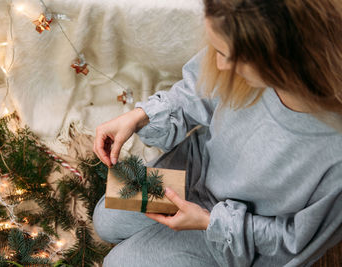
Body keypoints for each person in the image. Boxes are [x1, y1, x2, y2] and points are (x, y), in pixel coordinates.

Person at [92, 0, 342, 266]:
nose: (219, 65)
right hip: (194, 171)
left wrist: (208, 222)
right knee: (105, 220)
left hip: (236, 234)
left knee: (118, 263)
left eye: (227, 56)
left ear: (277, 59)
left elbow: (294, 240)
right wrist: (140, 117)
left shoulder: (333, 150)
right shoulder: (238, 40)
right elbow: (197, 89)